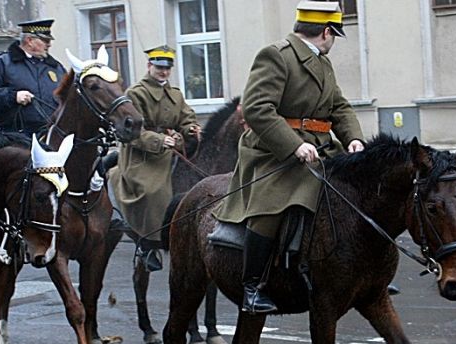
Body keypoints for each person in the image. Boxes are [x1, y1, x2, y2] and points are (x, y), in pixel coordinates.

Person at [215, 1, 365, 313]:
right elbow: (257, 108)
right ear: (326, 32)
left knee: (354, 192)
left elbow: (339, 107)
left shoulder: (322, 62)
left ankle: (358, 274)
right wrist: (294, 145)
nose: (333, 41)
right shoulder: (276, 55)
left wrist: (353, 139)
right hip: (273, 151)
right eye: (334, 35)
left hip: (320, 147)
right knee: (273, 203)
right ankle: (252, 286)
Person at [109, 45, 202, 271]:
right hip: (142, 155)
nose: (164, 72)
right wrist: (159, 140)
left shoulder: (175, 94)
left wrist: (191, 129)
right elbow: (130, 131)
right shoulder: (135, 93)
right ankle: (148, 243)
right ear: (149, 66)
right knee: (153, 191)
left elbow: (186, 118)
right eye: (159, 67)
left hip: (172, 149)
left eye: (167, 68)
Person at [0, 19, 66, 137]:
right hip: (16, 136)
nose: (49, 45)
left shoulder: (55, 67)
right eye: (45, 40)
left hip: (51, 135)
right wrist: (13, 96)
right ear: (29, 40)